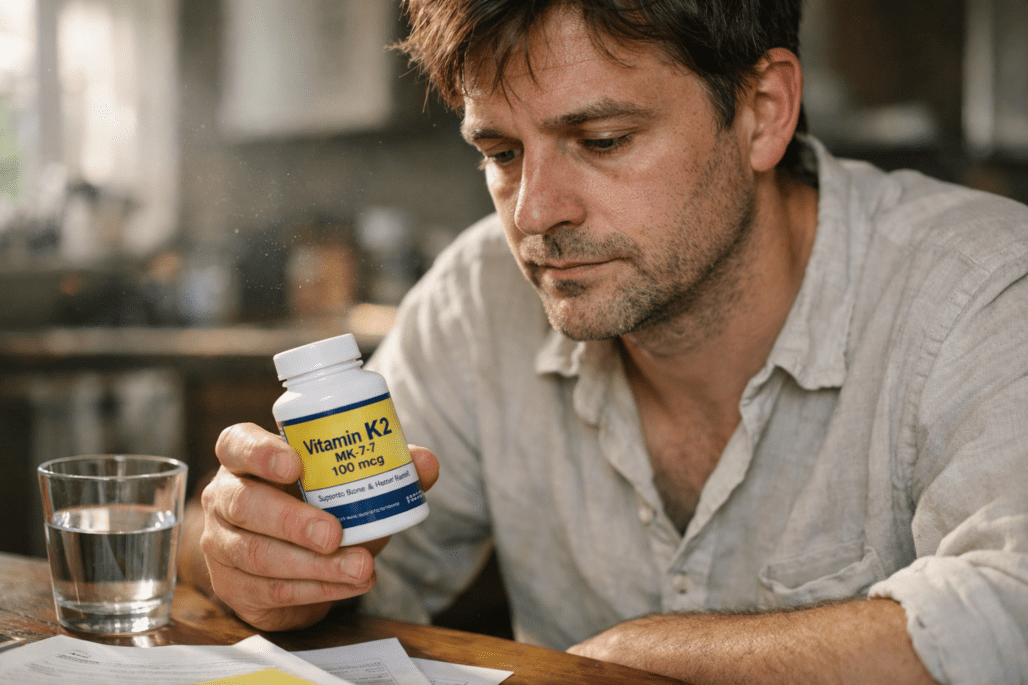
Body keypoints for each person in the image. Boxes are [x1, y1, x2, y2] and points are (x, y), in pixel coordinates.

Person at [182, 1, 1028, 683]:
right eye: (502, 151)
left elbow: (1010, 616)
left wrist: (621, 663)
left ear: (764, 112)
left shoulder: (984, 286)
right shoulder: (479, 295)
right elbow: (313, 570)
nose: (533, 214)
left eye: (602, 141)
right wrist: (249, 553)